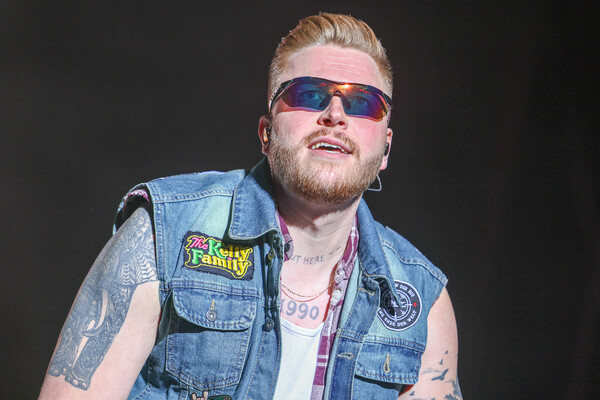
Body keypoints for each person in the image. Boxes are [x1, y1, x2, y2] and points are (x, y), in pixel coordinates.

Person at [39, 13, 461, 400]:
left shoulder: (422, 302)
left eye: (364, 102)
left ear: (385, 148)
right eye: (309, 94)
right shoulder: (164, 234)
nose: (335, 114)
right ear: (266, 133)